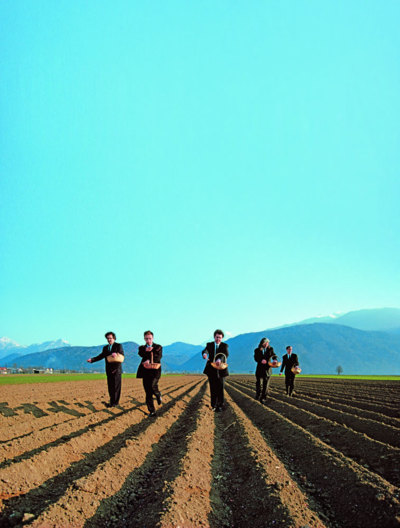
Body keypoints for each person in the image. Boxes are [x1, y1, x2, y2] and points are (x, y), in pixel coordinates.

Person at [87, 332, 124, 407]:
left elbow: (121, 354)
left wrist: (116, 354)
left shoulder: (118, 346)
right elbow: (101, 356)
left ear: (114, 338)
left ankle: (115, 403)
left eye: (110, 338)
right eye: (108, 338)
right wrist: (92, 360)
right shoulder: (105, 348)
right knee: (110, 387)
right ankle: (111, 402)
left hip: (116, 370)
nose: (109, 340)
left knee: (116, 387)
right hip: (109, 370)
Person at [136, 330, 162, 417]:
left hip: (155, 371)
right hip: (145, 371)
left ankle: (158, 394)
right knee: (148, 392)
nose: (148, 340)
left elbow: (158, 357)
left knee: (152, 385)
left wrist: (150, 357)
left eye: (150, 338)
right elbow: (140, 354)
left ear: (153, 338)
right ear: (144, 339)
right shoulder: (142, 348)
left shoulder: (158, 347)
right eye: (146, 339)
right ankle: (152, 411)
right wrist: (146, 351)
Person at [202, 329, 229, 412]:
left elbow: (225, 354)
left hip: (221, 370)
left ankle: (220, 405)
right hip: (211, 370)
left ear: (222, 338)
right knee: (213, 388)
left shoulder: (224, 346)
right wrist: (205, 354)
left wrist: (219, 359)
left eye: (220, 338)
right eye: (217, 337)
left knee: (220, 388)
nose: (218, 339)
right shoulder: (209, 345)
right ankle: (213, 405)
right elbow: (205, 350)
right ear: (214, 337)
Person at [254, 337, 278, 403]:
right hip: (259, 369)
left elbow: (273, 355)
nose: (266, 344)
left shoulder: (270, 349)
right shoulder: (257, 350)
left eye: (267, 343)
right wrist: (261, 360)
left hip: (267, 369)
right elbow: (256, 358)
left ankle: (263, 398)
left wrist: (275, 360)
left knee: (266, 384)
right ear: (262, 343)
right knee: (258, 383)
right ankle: (258, 393)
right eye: (265, 343)